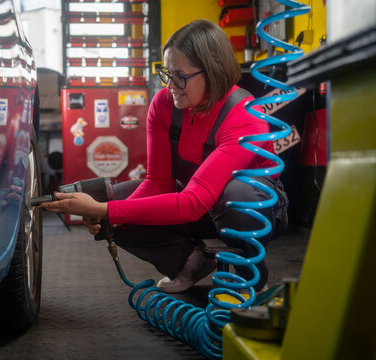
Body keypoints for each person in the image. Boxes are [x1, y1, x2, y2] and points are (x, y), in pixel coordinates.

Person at [40, 20, 288, 293]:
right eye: (167, 73)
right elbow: (158, 182)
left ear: (213, 71)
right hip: (194, 200)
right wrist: (112, 216)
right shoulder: (164, 104)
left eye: (180, 76)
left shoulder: (244, 116)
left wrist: (101, 211)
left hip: (246, 209)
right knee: (113, 203)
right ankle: (188, 263)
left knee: (241, 195)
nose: (170, 85)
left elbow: (193, 203)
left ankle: (249, 275)